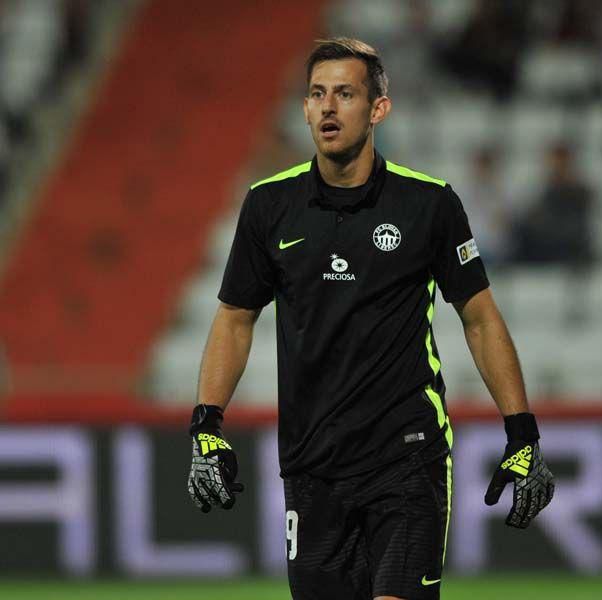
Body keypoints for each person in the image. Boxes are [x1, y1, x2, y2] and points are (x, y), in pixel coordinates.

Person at [186, 38, 554, 600]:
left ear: (378, 108)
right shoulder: (268, 206)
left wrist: (521, 432)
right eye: (317, 94)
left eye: (345, 94)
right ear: (305, 109)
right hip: (312, 467)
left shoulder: (428, 205)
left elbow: (479, 319)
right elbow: (235, 318)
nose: (328, 107)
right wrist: (206, 425)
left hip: (407, 458)